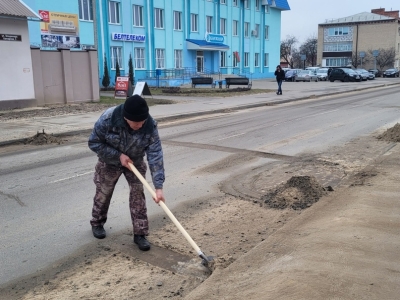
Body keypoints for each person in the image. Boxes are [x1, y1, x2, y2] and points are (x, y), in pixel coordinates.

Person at [88, 94, 165, 251]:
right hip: (109, 161)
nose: (140, 125)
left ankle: (140, 234)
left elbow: (155, 155)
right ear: (125, 117)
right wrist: (118, 155)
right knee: (104, 193)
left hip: (135, 162)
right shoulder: (108, 119)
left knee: (138, 196)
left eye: (142, 121)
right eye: (136, 122)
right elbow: (93, 142)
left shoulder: (150, 126)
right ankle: (97, 223)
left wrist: (158, 187)